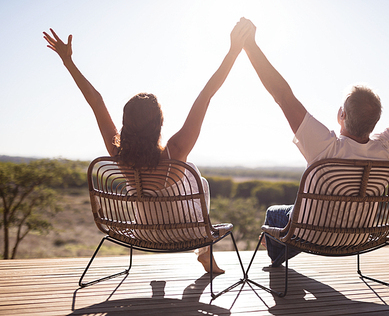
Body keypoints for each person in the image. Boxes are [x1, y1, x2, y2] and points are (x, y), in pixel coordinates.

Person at [241, 18, 389, 267]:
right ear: (375, 122)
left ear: (342, 115)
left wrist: (249, 45)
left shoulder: (326, 147)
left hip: (311, 235)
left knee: (275, 213)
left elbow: (283, 95)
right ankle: (283, 244)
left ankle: (278, 252)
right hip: (359, 237)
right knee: (296, 210)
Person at [43, 18, 251, 274]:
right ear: (159, 125)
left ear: (125, 124)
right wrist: (233, 51)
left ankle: (200, 258)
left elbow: (96, 102)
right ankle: (205, 254)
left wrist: (68, 63)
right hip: (187, 234)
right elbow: (205, 96)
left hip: (144, 231)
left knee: (197, 178)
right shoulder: (176, 150)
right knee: (198, 176)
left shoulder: (119, 155)